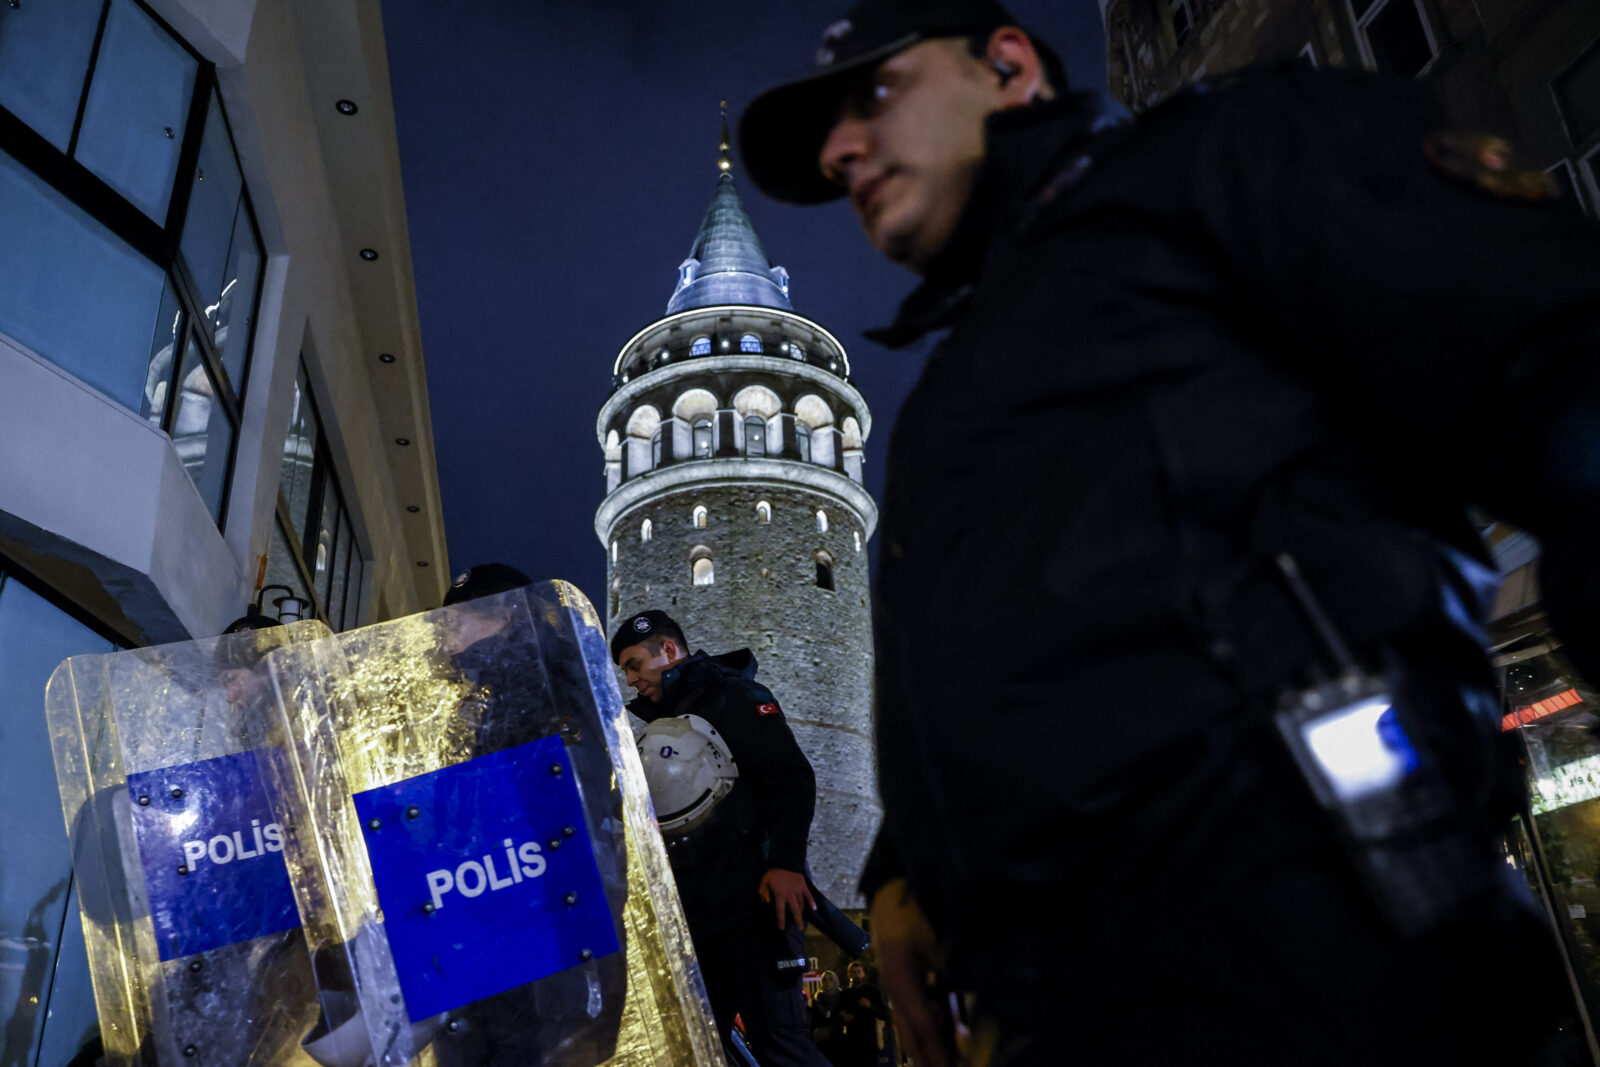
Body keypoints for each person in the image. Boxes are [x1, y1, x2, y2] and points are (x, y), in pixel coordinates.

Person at [738, 1, 1600, 1064]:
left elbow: (1555, 368)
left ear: (1006, 65)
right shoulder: (956, 390)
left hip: (1321, 956)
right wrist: (904, 866)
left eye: (873, 93)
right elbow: (997, 658)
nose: (839, 151)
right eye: (826, 138)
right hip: (1073, 1003)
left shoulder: (1230, 162)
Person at [611, 610, 831, 1066]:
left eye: (635, 664)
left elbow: (791, 778)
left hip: (757, 905)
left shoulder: (734, 696)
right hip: (700, 916)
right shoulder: (658, 725)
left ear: (668, 651)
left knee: (781, 1045)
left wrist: (787, 864)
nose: (630, 679)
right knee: (695, 1048)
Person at [831, 962, 887, 1067]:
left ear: (863, 974)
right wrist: (843, 1018)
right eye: (853, 972)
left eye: (859, 972)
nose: (856, 975)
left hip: (869, 1042)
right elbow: (835, 1017)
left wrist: (870, 1006)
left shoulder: (873, 991)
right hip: (851, 1043)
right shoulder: (844, 994)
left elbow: (884, 1014)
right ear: (849, 974)